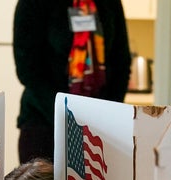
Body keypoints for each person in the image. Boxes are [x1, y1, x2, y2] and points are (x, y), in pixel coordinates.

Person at [13, 0, 131, 164]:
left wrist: (107, 115)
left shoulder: (110, 3)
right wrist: (70, 117)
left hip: (99, 129)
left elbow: (121, 63)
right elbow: (27, 70)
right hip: (45, 125)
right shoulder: (34, 3)